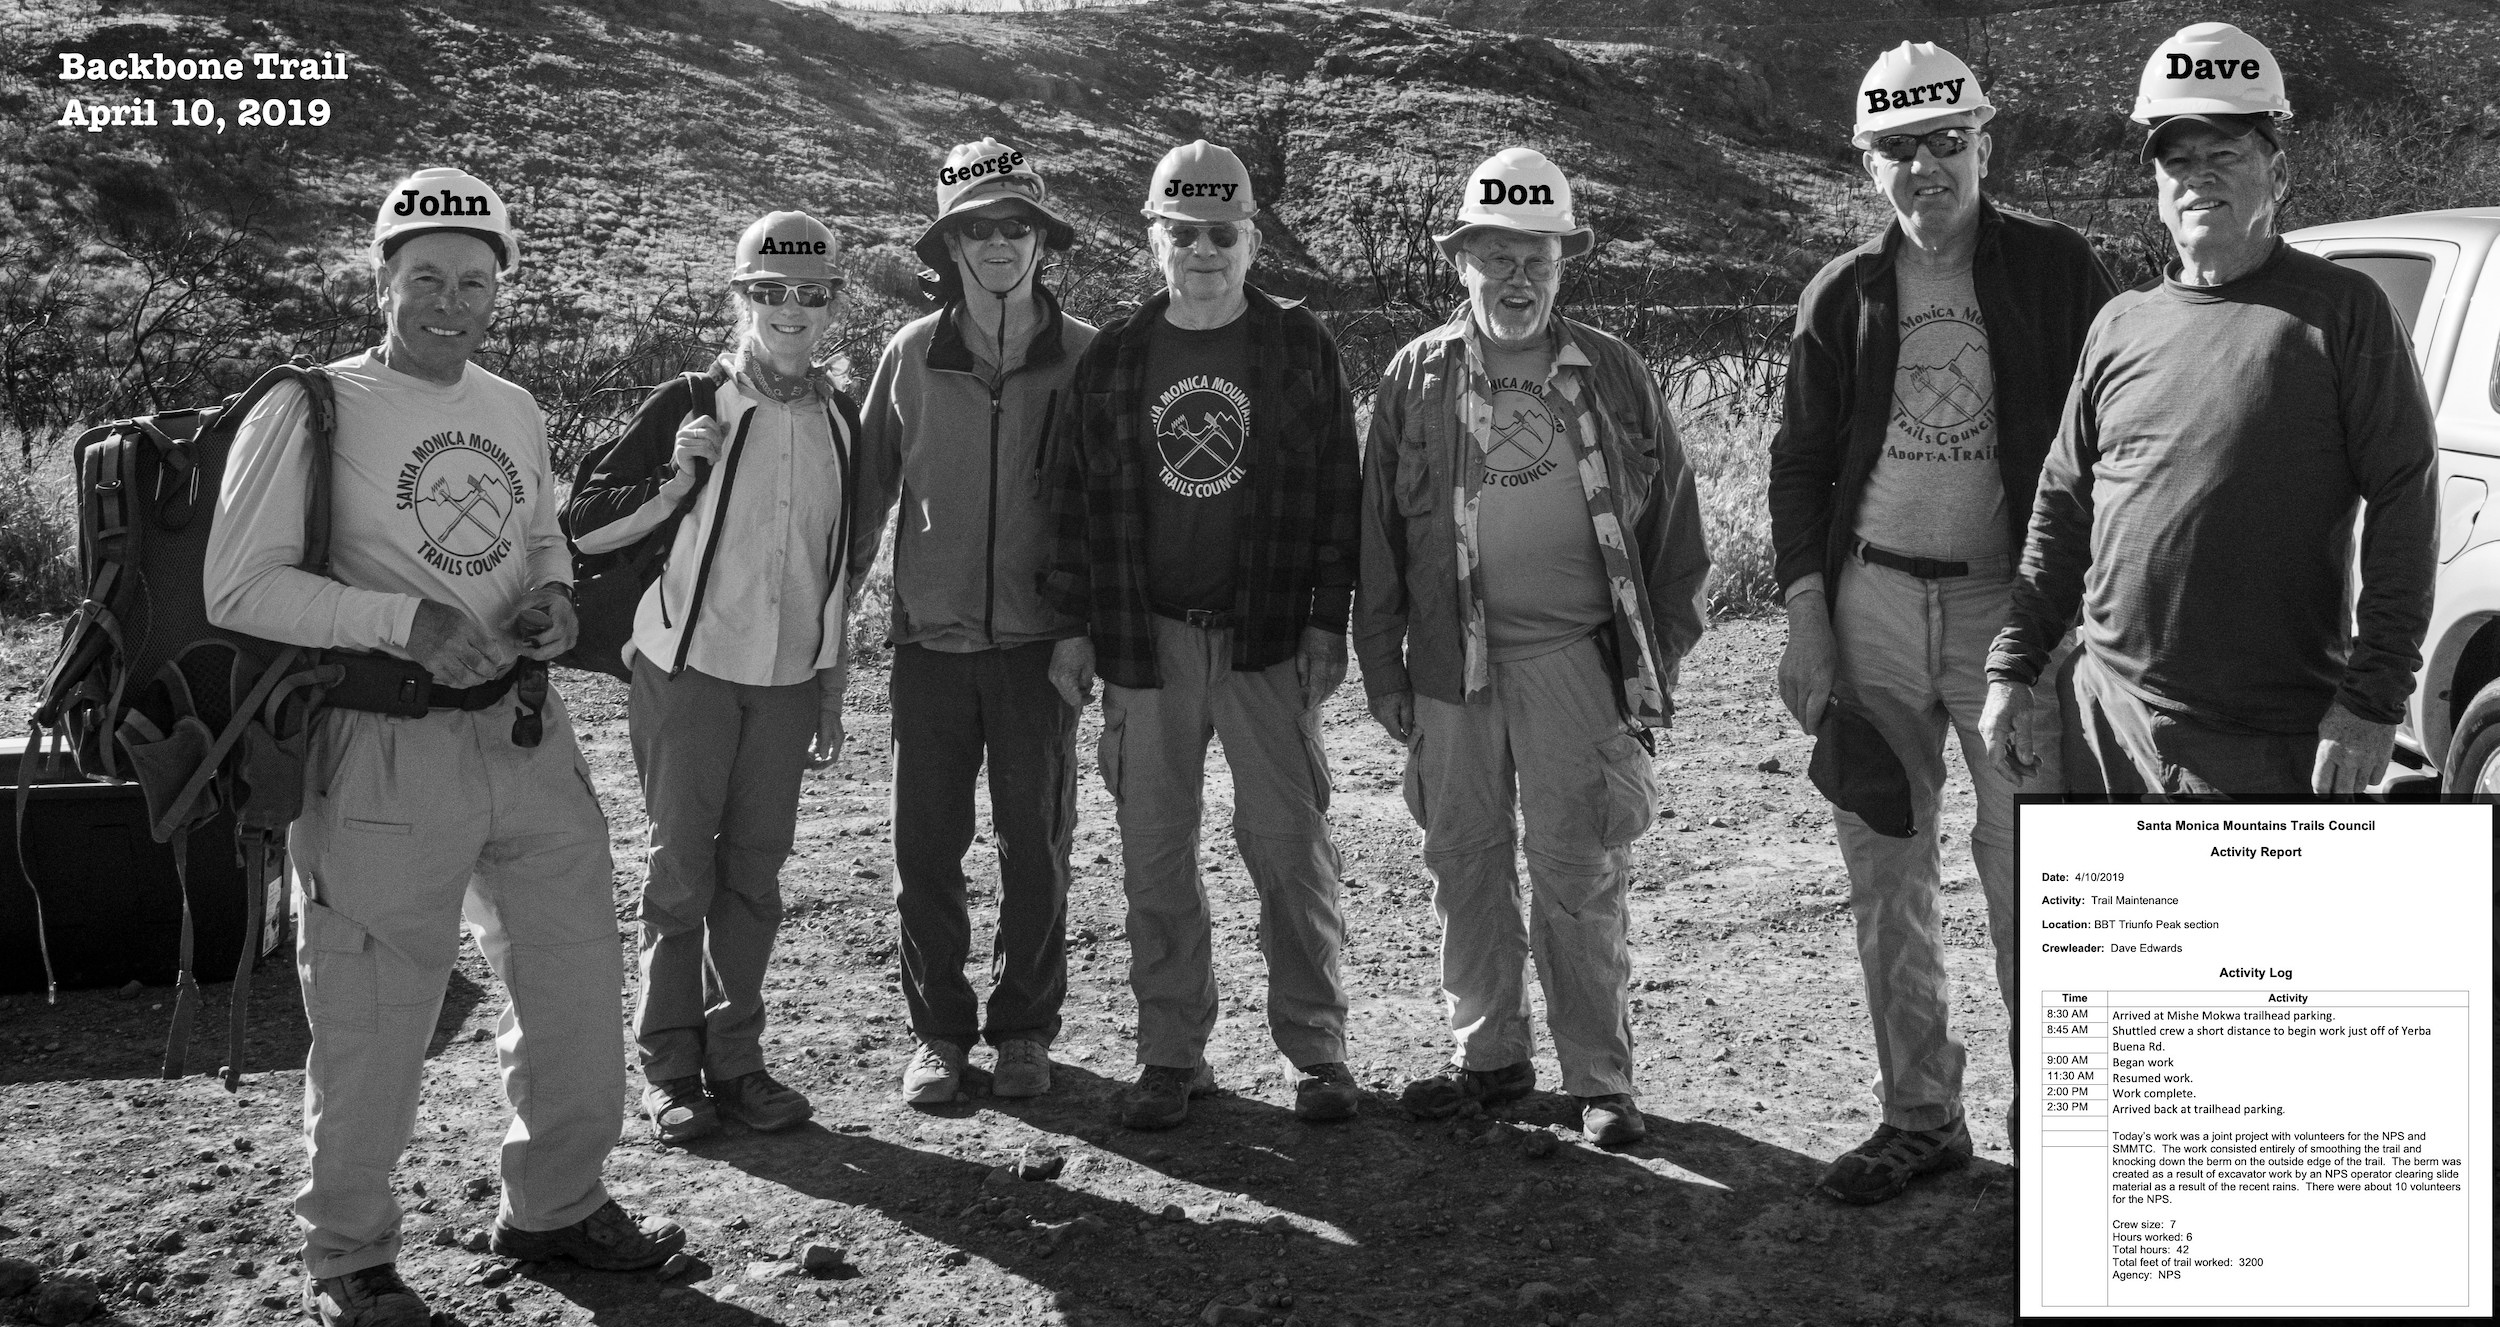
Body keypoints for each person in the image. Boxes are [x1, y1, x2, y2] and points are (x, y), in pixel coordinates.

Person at [204, 167, 684, 1327]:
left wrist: (556, 601)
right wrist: (402, 622)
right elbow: (240, 584)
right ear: (381, 276)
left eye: (475, 280)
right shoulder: (310, 405)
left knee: (573, 977)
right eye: (425, 277)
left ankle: (557, 1204)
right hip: (380, 748)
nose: (449, 302)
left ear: (500, 288)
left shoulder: (512, 404)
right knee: (375, 1007)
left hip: (524, 731)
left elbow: (535, 535)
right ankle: (350, 1256)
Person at [1767, 43, 2117, 1202]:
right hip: (1869, 600)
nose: (1925, 169)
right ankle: (1921, 1115)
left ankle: (2061, 1134)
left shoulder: (2061, 272)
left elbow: (2112, 447)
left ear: (1985, 142)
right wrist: (1806, 617)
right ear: (1868, 164)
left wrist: (2072, 614)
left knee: (2034, 869)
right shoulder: (1841, 293)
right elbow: (1799, 465)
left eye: (1945, 142)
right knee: (1885, 866)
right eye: (1898, 150)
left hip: (2006, 610)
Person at [1357, 147, 1711, 1149]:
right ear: (1460, 259)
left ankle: (1600, 1077)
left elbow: (1677, 535)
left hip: (1578, 665)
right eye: (1497, 256)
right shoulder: (1413, 374)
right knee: (1463, 864)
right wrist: (1383, 668)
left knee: (1578, 873)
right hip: (1450, 672)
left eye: (1538, 259)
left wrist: (1651, 663)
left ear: (1564, 265)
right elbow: (1375, 536)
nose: (1518, 278)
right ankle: (1490, 1058)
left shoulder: (1612, 371)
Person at [1982, 23, 2437, 799]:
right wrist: (2014, 665)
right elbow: (2062, 506)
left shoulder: (2342, 313)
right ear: (2157, 188)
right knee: (2125, 925)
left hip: (2269, 738)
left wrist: (2372, 701)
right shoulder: (2120, 323)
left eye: (2225, 153)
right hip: (2107, 720)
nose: (2198, 178)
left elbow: (2405, 500)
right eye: (2177, 160)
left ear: (2278, 173)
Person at [1041, 139, 1364, 1131]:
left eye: (1221, 232)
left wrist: (1324, 619)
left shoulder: (1298, 346)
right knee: (1155, 856)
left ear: (1251, 237)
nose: (1203, 250)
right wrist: (1071, 631)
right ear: (1155, 239)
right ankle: (1170, 1052)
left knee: (1288, 847)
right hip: (1150, 641)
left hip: (1265, 637)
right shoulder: (1118, 356)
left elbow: (1336, 503)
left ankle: (1316, 1050)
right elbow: (1072, 506)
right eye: (1182, 232)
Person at [565, 211, 863, 1145]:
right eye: (770, 291)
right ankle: (669, 1067)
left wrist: (829, 682)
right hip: (686, 672)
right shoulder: (692, 400)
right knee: (679, 870)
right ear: (742, 299)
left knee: (756, 876)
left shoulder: (842, 419)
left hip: (782, 681)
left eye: (811, 294)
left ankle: (737, 1059)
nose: (791, 310)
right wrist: (673, 481)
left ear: (833, 305)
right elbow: (582, 523)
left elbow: (835, 563)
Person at [850, 140, 1097, 1105]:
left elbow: (1109, 509)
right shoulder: (910, 357)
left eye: (1016, 226)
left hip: (1043, 643)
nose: (998, 243)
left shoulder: (1086, 355)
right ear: (949, 246)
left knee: (1035, 844)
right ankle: (939, 1034)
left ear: (1042, 240)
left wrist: (1086, 630)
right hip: (932, 645)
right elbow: (866, 500)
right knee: (926, 847)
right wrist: (834, 640)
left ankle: (1026, 1027)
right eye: (976, 228)